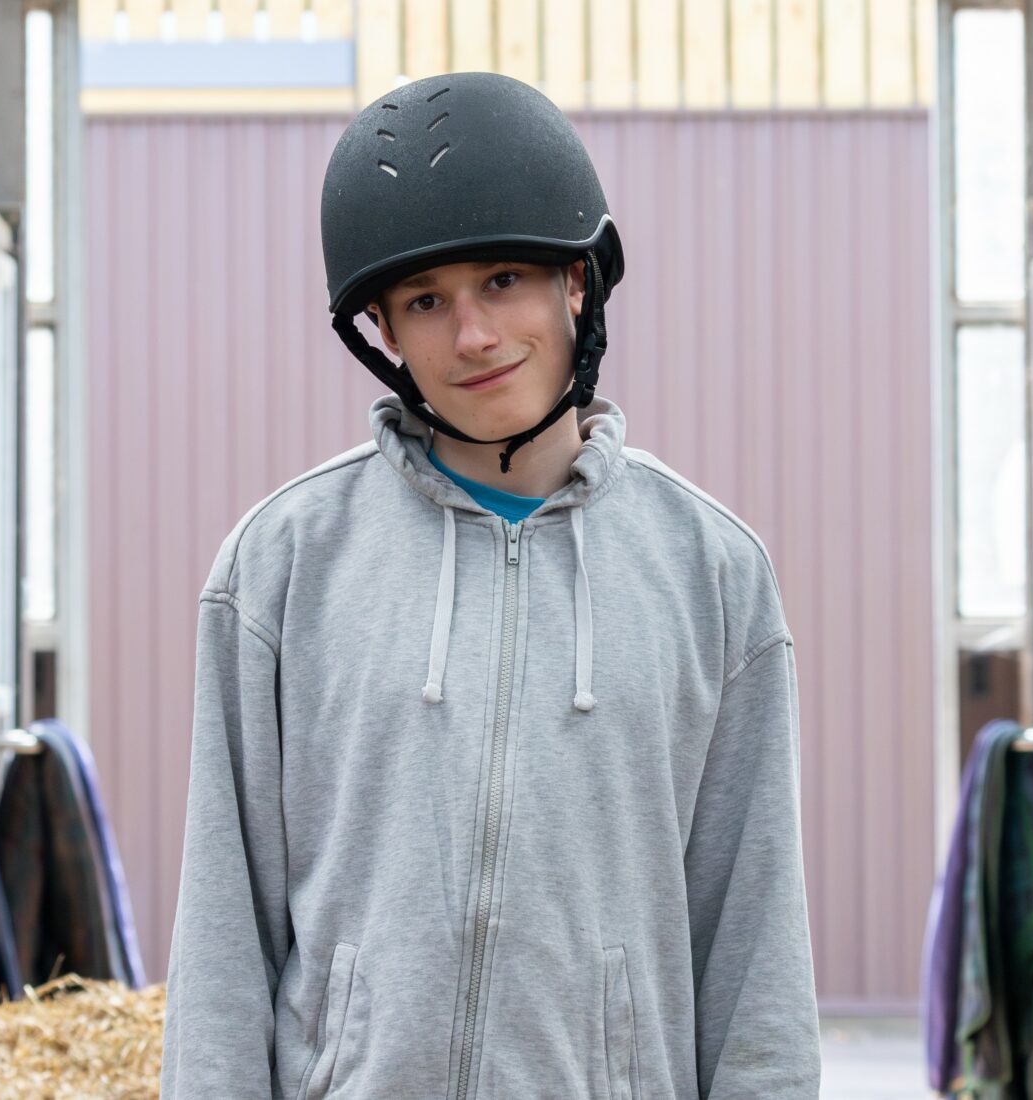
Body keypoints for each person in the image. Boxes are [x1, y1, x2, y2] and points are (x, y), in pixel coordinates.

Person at [159, 72, 820, 1099]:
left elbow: (753, 942)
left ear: (575, 285)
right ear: (382, 331)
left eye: (503, 279)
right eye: (426, 300)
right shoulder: (279, 566)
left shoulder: (713, 573)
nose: (471, 335)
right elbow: (222, 931)